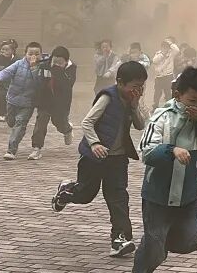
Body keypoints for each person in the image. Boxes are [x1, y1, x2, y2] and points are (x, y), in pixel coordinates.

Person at [51, 60, 149, 258]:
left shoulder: (133, 100)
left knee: (118, 199)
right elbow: (87, 122)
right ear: (120, 82)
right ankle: (66, 192)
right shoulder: (107, 97)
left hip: (118, 159)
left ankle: (120, 239)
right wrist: (95, 144)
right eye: (134, 86)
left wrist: (135, 105)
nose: (138, 90)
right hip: (94, 158)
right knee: (85, 194)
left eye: (141, 86)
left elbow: (140, 125)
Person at [132, 67, 197, 273]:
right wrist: (171, 150)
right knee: (154, 250)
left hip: (188, 194)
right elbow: (146, 151)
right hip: (158, 195)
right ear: (177, 94)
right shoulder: (162, 116)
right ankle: (150, 252)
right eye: (192, 100)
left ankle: (156, 244)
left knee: (192, 241)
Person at [0, 42, 44, 160]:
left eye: (37, 54)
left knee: (20, 123)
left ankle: (11, 150)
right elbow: (6, 72)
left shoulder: (42, 67)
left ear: (41, 55)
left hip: (28, 103)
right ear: (25, 54)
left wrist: (34, 68)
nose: (33, 56)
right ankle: (16, 131)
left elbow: (40, 83)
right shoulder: (18, 64)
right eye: (30, 53)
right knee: (11, 122)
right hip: (12, 100)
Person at [27, 45, 77, 160]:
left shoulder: (71, 68)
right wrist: (34, 67)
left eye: (60, 62)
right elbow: (38, 80)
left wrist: (57, 71)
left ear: (66, 61)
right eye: (55, 61)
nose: (56, 64)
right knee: (40, 124)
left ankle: (67, 129)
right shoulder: (45, 65)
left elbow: (67, 85)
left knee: (59, 122)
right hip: (45, 100)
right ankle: (37, 148)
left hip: (61, 103)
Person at [0, 40, 17, 123]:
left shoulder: (17, 59)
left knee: (10, 98)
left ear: (12, 51)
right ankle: (0, 114)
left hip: (12, 82)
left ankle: (9, 114)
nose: (4, 51)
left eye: (6, 50)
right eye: (2, 49)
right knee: (0, 95)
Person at [151, 38, 180, 106]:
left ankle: (170, 105)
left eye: (166, 47)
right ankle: (155, 105)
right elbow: (154, 61)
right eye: (163, 47)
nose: (165, 49)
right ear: (161, 47)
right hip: (159, 76)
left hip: (168, 76)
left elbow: (177, 50)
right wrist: (162, 54)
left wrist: (170, 43)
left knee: (168, 92)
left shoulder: (171, 54)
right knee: (157, 92)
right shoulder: (158, 53)